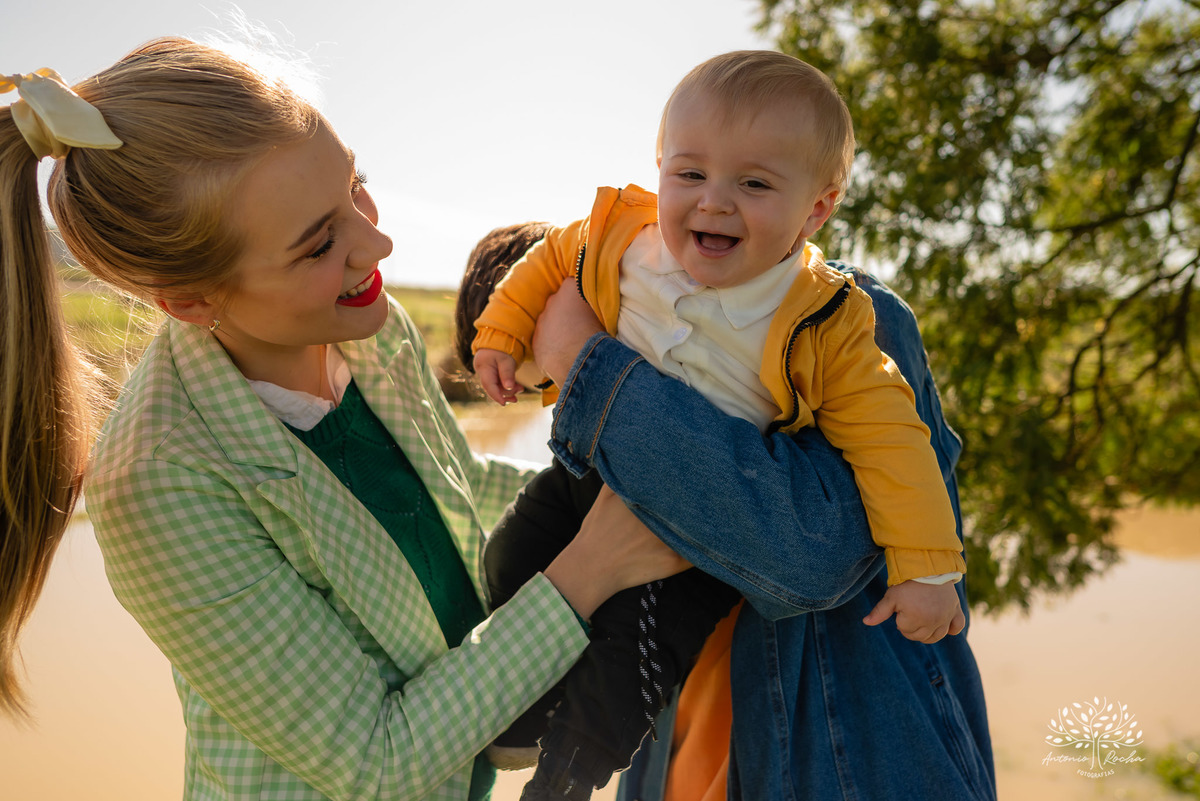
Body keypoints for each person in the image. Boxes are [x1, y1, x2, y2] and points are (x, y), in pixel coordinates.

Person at [0, 39, 691, 801]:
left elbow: (453, 492)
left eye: (355, 185)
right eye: (321, 242)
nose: (378, 243)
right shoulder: (157, 484)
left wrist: (630, 487)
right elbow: (376, 759)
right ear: (190, 302)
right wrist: (593, 565)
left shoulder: (367, 323)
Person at [470, 51, 968, 799]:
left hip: (825, 756)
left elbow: (879, 466)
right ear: (660, 168)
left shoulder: (839, 322)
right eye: (690, 174)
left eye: (755, 183)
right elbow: (551, 261)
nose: (714, 202)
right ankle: (518, 719)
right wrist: (501, 334)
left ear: (817, 207)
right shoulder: (623, 246)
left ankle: (564, 779)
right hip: (675, 748)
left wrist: (930, 570)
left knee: (625, 666)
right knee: (509, 548)